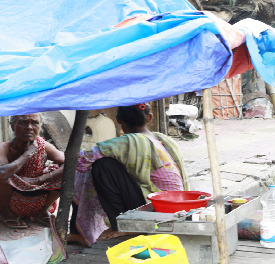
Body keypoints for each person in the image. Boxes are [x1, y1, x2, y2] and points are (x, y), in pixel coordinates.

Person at [71, 103, 188, 245]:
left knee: (103, 166)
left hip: (158, 208)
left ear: (118, 120)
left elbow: (82, 162)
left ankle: (124, 226)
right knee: (108, 164)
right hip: (177, 206)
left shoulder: (129, 141)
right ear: (149, 118)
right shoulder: (159, 138)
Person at [0, 114, 65, 229]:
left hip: (36, 198)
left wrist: (39, 180)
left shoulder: (44, 146)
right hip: (10, 202)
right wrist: (27, 154)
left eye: (34, 123)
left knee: (66, 173)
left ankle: (42, 212)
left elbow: (71, 163)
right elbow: (1, 174)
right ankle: (5, 213)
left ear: (40, 126)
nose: (29, 127)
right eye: (23, 122)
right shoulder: (3, 147)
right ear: (12, 126)